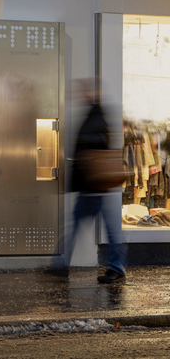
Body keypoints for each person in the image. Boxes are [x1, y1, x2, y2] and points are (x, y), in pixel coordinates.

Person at [65, 77, 126, 283]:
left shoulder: (98, 113)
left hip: (96, 184)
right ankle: (60, 265)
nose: (81, 94)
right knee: (79, 225)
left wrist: (85, 144)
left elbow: (104, 139)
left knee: (106, 228)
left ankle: (116, 267)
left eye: (85, 90)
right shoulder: (91, 113)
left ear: (93, 93)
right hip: (90, 185)